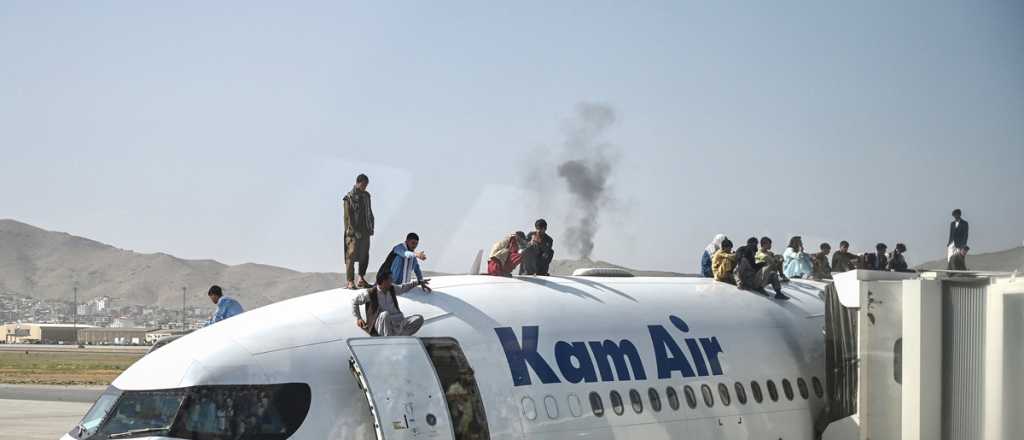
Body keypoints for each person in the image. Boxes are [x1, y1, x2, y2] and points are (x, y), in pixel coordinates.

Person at [352, 270, 431, 336]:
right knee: (385, 314)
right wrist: (359, 318)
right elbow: (354, 302)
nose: (392, 281)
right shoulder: (370, 293)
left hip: (398, 322)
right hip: (383, 323)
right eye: (390, 279)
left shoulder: (392, 288)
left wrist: (419, 282)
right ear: (383, 281)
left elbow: (404, 288)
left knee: (418, 318)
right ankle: (389, 340)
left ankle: (399, 337)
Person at [342, 174, 375, 290]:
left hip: (365, 231)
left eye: (367, 185)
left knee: (364, 255)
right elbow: (348, 217)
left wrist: (372, 227)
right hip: (352, 233)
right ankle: (350, 281)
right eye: (364, 184)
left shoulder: (366, 196)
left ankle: (361, 279)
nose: (365, 187)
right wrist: (354, 232)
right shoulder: (349, 197)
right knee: (351, 256)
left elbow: (369, 212)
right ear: (358, 182)